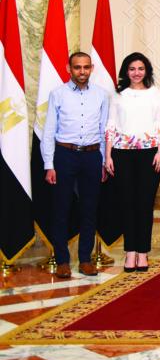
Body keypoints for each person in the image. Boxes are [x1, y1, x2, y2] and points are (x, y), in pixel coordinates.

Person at [42, 52, 110, 278]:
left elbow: (103, 130)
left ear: (92, 68)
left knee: (89, 209)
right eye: (77, 67)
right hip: (64, 155)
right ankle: (62, 260)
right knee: (61, 208)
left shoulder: (101, 95)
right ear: (68, 69)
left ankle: (85, 260)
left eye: (86, 67)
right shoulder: (57, 94)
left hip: (92, 156)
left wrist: (103, 161)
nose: (82, 71)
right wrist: (49, 164)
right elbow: (49, 131)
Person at [104, 52, 160, 273]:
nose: (136, 73)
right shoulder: (118, 95)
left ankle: (143, 252)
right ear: (126, 71)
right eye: (132, 69)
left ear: (146, 71)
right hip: (122, 154)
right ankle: (130, 251)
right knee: (127, 203)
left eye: (140, 68)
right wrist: (108, 155)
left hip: (149, 154)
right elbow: (111, 124)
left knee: (144, 204)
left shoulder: (154, 93)